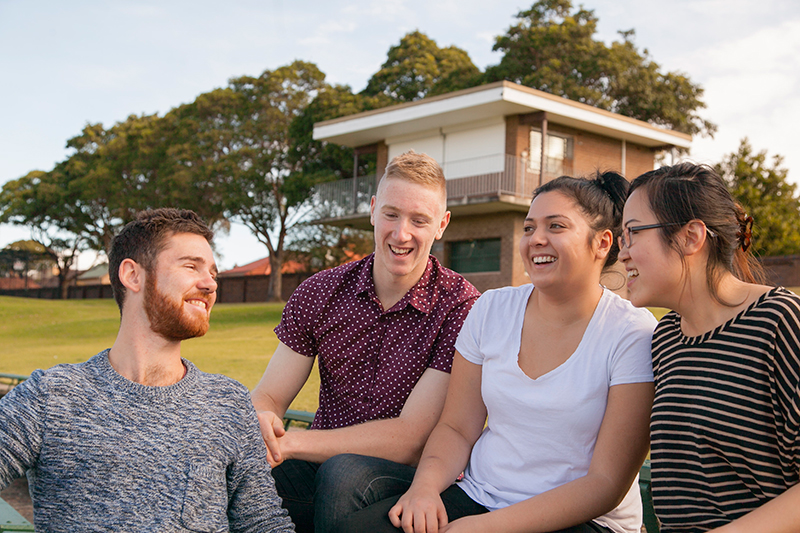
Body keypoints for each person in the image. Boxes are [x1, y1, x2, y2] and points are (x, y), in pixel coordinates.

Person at [336, 172, 657, 533]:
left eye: (556, 226)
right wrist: (424, 490)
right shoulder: (491, 308)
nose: (536, 239)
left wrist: (480, 528)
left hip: (583, 519)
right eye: (529, 227)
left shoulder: (631, 333)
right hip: (481, 496)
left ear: (601, 243)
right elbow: (457, 427)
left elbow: (604, 485)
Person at [0, 208, 294, 532]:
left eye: (213, 273)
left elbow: (263, 523)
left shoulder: (227, 401)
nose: (210, 284)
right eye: (191, 266)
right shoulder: (52, 395)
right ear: (132, 275)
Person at [250, 151, 480, 532]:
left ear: (442, 225)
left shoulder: (460, 305)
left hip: (415, 478)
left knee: (345, 475)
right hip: (320, 463)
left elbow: (409, 438)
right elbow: (270, 397)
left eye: (419, 220)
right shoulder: (319, 292)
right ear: (373, 210)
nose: (401, 233)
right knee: (245, 476)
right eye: (391, 214)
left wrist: (290, 443)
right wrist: (263, 426)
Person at [619, 162, 800, 533]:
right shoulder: (666, 338)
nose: (622, 253)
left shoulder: (779, 321)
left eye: (633, 234)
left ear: (691, 237)